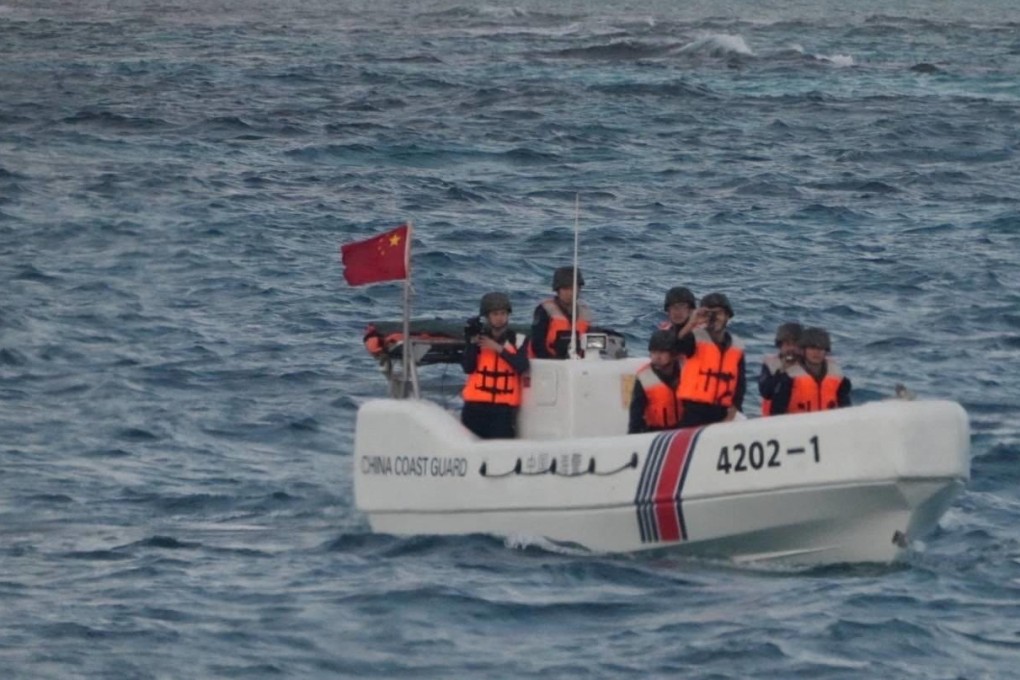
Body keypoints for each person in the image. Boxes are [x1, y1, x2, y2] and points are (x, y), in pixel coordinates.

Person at [461, 292, 530, 439]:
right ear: (487, 316)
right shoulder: (478, 339)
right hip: (474, 408)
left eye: (503, 313)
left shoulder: (518, 340)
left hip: (502, 411)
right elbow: (468, 367)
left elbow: (522, 366)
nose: (500, 318)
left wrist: (498, 348)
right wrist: (472, 343)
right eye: (495, 314)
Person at [675, 292, 746, 427]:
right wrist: (692, 322)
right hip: (694, 412)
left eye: (718, 313)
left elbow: (740, 386)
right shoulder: (695, 338)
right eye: (709, 314)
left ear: (727, 316)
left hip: (723, 412)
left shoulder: (737, 346)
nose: (714, 318)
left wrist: (731, 415)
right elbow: (678, 345)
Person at [769, 326, 852, 415]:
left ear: (826, 351)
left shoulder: (837, 375)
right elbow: (776, 413)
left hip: (828, 425)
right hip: (796, 425)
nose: (817, 352)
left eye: (821, 349)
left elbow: (846, 408)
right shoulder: (789, 376)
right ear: (803, 350)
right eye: (812, 348)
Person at [529, 266, 591, 359]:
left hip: (577, 361)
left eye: (574, 288)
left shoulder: (585, 311)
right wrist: (554, 360)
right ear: (557, 290)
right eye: (566, 289)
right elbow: (537, 344)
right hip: (545, 361)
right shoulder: (544, 310)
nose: (571, 293)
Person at [628, 330, 684, 434]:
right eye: (653, 352)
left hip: (683, 430)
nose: (657, 357)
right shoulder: (644, 377)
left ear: (673, 354)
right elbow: (636, 413)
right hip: (655, 432)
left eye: (662, 352)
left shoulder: (685, 371)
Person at [758, 322, 803, 416]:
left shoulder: (808, 365)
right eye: (787, 344)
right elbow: (765, 392)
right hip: (773, 419)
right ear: (780, 346)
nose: (791, 348)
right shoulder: (771, 364)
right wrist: (782, 371)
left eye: (795, 344)